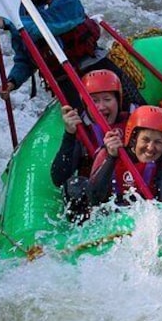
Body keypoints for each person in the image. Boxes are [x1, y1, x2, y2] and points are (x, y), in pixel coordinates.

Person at [0, 0, 145, 110]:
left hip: (96, 66)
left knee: (137, 107)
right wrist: (12, 82)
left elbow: (48, 25)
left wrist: (8, 23)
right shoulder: (19, 17)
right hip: (67, 81)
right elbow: (26, 59)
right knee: (83, 128)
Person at [51, 70, 130, 215]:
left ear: (118, 101)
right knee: (74, 185)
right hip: (96, 202)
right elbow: (59, 178)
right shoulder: (82, 132)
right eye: (94, 101)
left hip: (131, 196)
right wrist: (69, 135)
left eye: (107, 99)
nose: (101, 107)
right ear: (85, 105)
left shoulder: (134, 126)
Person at [87, 105, 162, 205]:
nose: (150, 148)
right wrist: (111, 158)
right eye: (145, 140)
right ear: (133, 139)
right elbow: (93, 198)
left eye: (158, 142)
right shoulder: (107, 154)